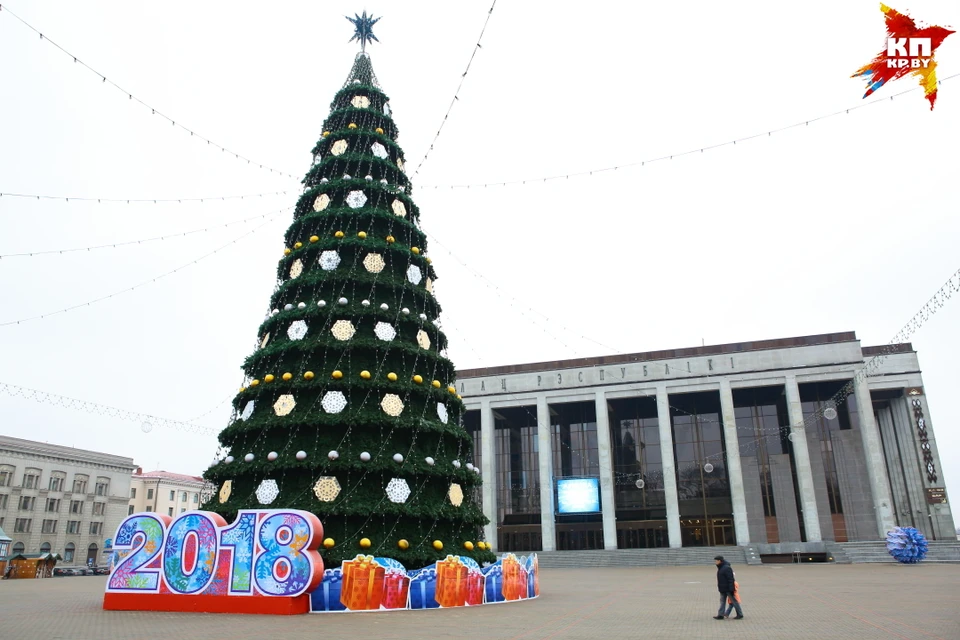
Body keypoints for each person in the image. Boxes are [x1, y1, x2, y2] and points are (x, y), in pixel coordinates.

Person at [713, 555, 743, 620]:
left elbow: (731, 579)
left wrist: (731, 588)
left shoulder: (726, 568)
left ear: (719, 561)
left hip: (728, 589)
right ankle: (720, 615)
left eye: (716, 561)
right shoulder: (720, 567)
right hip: (722, 588)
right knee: (722, 601)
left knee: (734, 601)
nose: (715, 562)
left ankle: (740, 614)